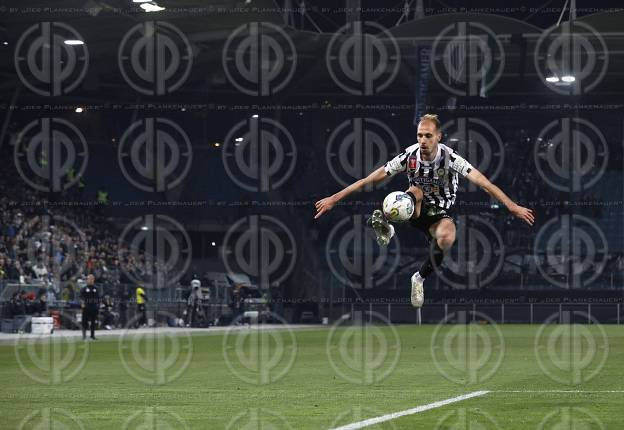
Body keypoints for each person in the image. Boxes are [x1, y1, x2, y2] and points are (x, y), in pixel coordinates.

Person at [315, 114, 535, 307]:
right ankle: (389, 226)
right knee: (415, 190)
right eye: (420, 135)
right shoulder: (409, 156)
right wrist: (334, 199)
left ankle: (418, 278)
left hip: (438, 214)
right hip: (414, 206)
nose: (422, 140)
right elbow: (368, 179)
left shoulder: (451, 159)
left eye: (428, 135)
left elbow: (485, 184)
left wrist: (512, 206)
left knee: (447, 236)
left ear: (439, 136)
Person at [79, 274, 100, 340]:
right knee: (84, 322)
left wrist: (98, 305)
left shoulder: (96, 289)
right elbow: (81, 297)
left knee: (93, 322)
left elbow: (98, 298)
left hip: (94, 308)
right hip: (86, 307)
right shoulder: (84, 289)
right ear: (87, 280)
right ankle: (84, 336)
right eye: (89, 279)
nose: (91, 280)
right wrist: (82, 303)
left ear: (94, 280)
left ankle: (92, 335)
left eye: (92, 279)